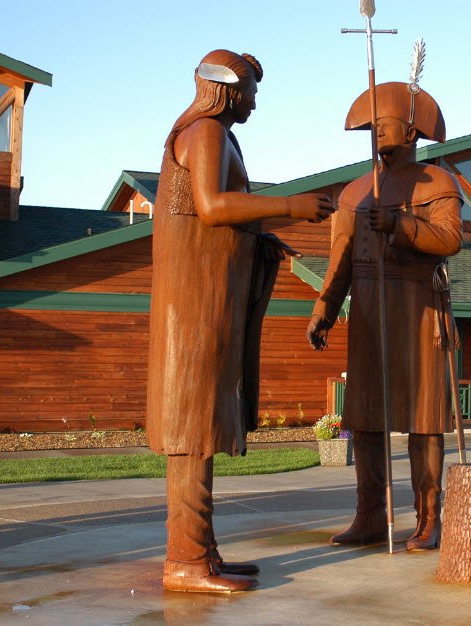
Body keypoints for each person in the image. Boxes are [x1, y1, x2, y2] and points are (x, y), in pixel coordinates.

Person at [147, 49, 334, 593]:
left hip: (210, 297)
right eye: (250, 90)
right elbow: (210, 206)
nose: (255, 100)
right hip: (194, 306)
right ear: (227, 89)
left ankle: (201, 551)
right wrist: (289, 207)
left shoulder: (220, 136)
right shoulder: (204, 131)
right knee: (192, 426)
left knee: (203, 423)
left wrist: (260, 236)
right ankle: (184, 559)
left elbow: (223, 213)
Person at [307, 82, 463, 551]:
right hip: (370, 314)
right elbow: (340, 262)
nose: (376, 133)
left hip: (417, 311)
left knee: (423, 419)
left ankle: (428, 517)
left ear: (412, 129)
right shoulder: (355, 193)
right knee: (367, 417)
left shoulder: (438, 183)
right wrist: (324, 310)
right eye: (370, 126)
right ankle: (370, 514)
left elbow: (450, 240)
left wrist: (401, 224)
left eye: (384, 123)